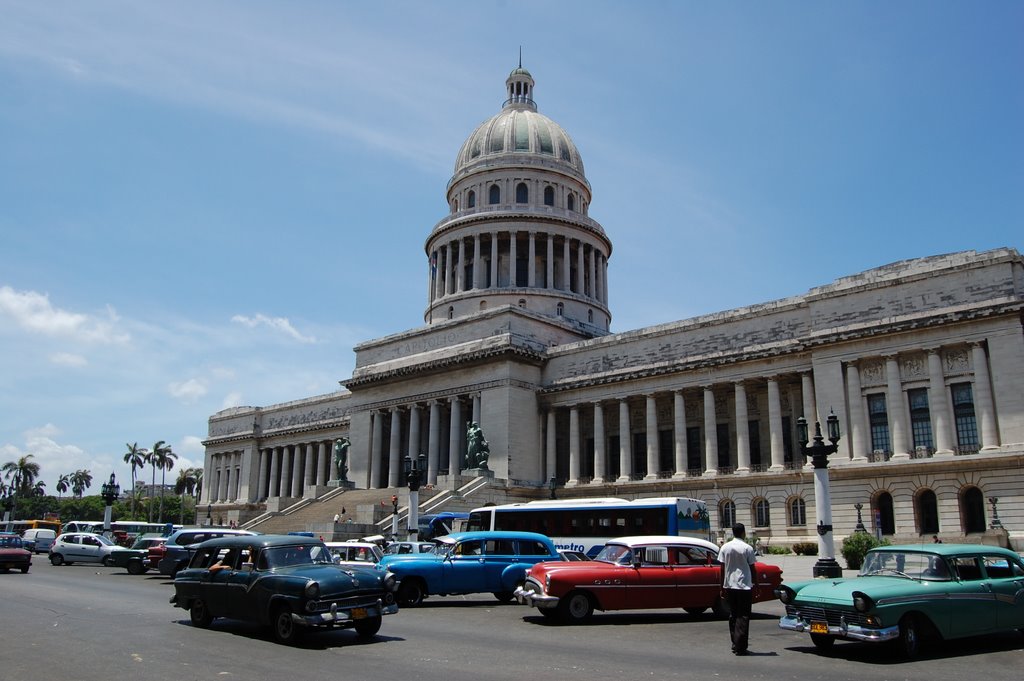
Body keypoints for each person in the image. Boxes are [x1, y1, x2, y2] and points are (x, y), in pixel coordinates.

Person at [718, 523, 757, 656]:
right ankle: (741, 645)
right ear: (743, 533)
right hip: (744, 585)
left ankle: (735, 643)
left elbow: (722, 569)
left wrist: (722, 587)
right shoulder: (747, 548)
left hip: (729, 585)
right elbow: (752, 568)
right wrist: (756, 585)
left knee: (733, 614)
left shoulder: (725, 547)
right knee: (744, 615)